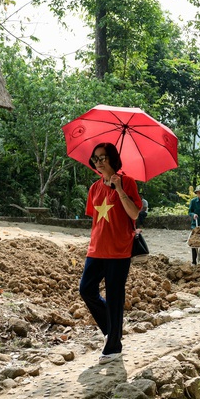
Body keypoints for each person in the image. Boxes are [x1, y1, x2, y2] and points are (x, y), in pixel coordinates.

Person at [79, 142, 141, 364]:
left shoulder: (128, 182)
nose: (99, 162)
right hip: (96, 249)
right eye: (95, 159)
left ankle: (113, 345)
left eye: (103, 157)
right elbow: (95, 219)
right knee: (86, 289)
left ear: (113, 159)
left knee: (115, 297)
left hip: (119, 250)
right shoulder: (94, 188)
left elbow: (134, 214)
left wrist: (120, 189)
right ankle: (112, 330)